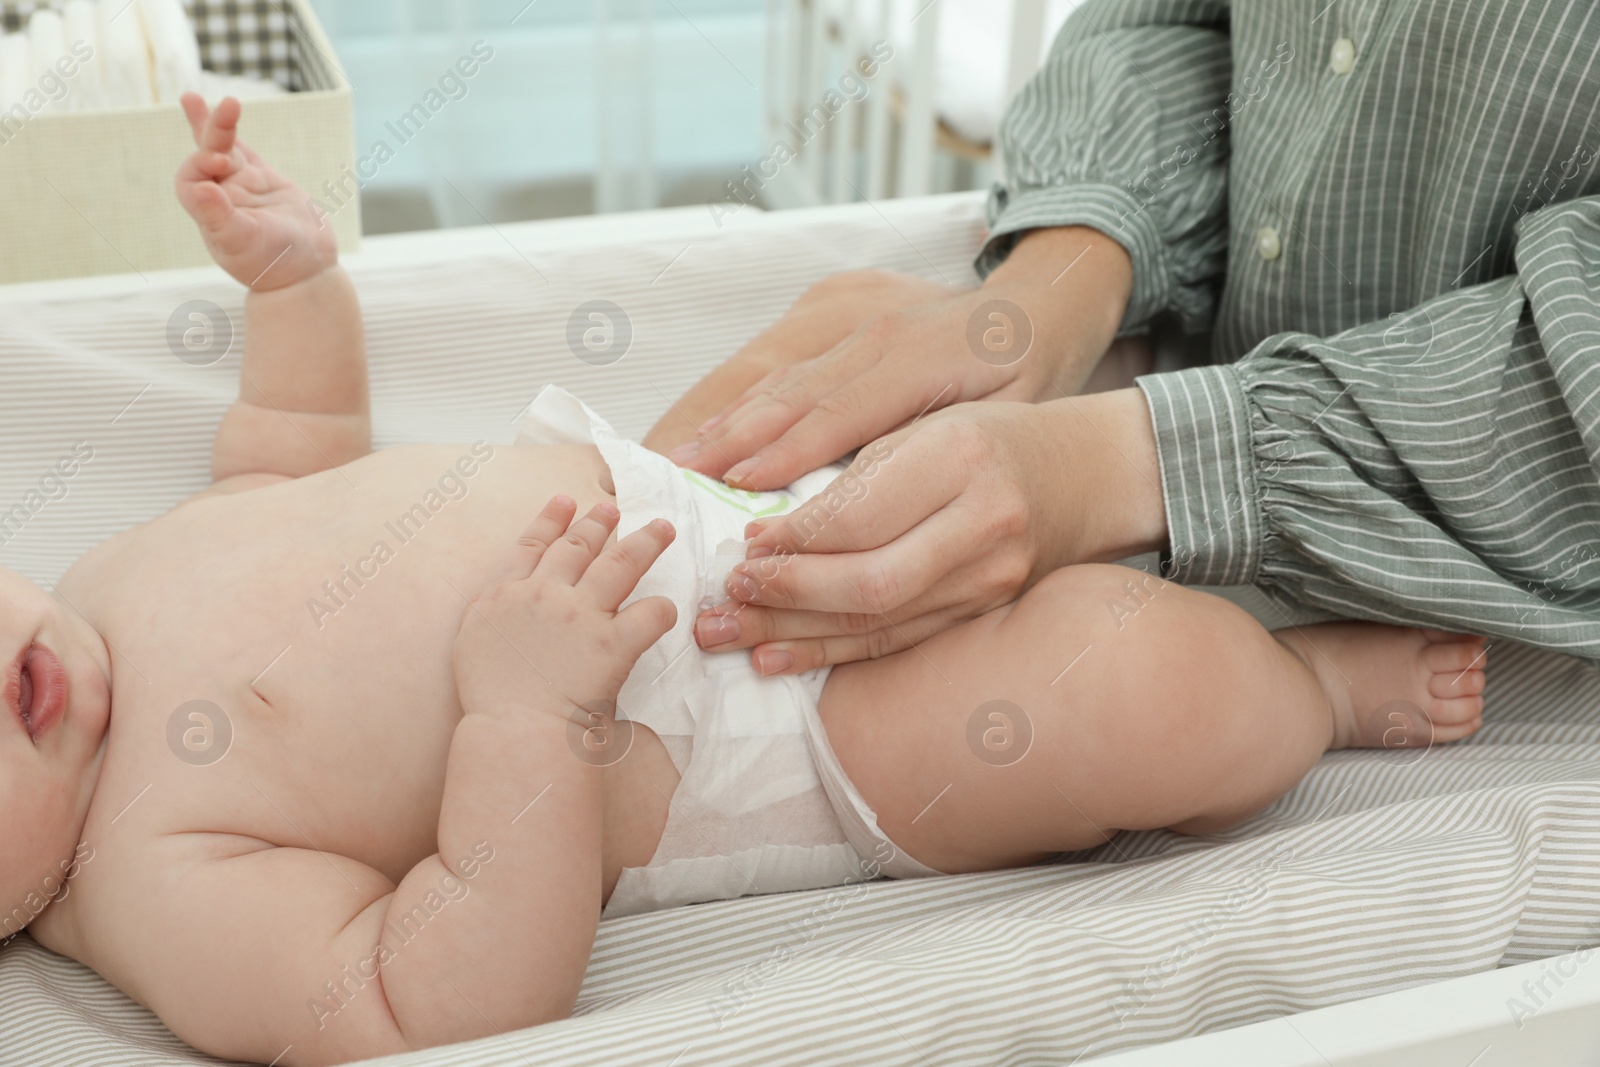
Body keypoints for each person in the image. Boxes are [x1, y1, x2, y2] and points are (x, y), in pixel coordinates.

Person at [3, 96, 1487, 1067]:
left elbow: (289, 456)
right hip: (775, 733)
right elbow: (424, 999)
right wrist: (521, 723)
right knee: (1145, 688)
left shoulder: (105, 577)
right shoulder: (155, 886)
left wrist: (295, 288)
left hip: (696, 494)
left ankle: (1108, 449)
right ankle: (1312, 687)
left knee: (862, 328)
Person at [657, 0, 1600, 676]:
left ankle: (1325, 690)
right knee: (844, 318)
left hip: (1473, 550)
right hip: (1182, 373)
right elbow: (1189, 23)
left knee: (1132, 673)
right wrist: (1061, 280)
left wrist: (1123, 463)